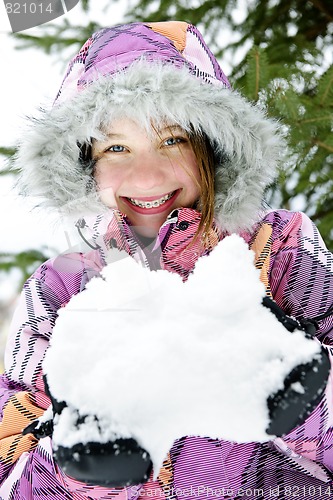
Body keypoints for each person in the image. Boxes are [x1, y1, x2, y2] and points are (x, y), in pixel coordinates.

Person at [0, 20, 332, 500]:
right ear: (83, 166)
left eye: (172, 140)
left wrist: (311, 401)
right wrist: (79, 466)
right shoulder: (59, 291)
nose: (147, 174)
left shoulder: (281, 250)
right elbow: (11, 470)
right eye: (116, 147)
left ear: (213, 150)